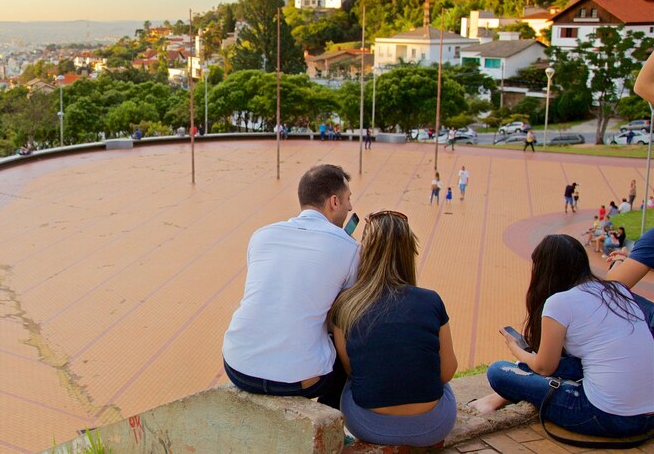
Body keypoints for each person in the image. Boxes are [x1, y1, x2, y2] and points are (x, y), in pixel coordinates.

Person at [471, 235, 654, 439]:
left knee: (498, 372)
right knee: (570, 363)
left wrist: (516, 348)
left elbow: (544, 367)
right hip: (649, 413)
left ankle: (498, 397)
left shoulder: (559, 302)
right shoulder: (617, 289)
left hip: (608, 417)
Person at [222, 164, 360, 409]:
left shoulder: (261, 235)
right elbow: (341, 316)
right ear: (335, 202)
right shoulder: (349, 249)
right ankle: (332, 421)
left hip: (237, 366)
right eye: (348, 199)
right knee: (344, 337)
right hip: (298, 382)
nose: (351, 207)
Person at [331, 210, 458, 447]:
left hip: (367, 424)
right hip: (432, 426)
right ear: (409, 252)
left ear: (364, 252)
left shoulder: (346, 305)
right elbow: (447, 371)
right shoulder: (431, 301)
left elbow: (352, 370)